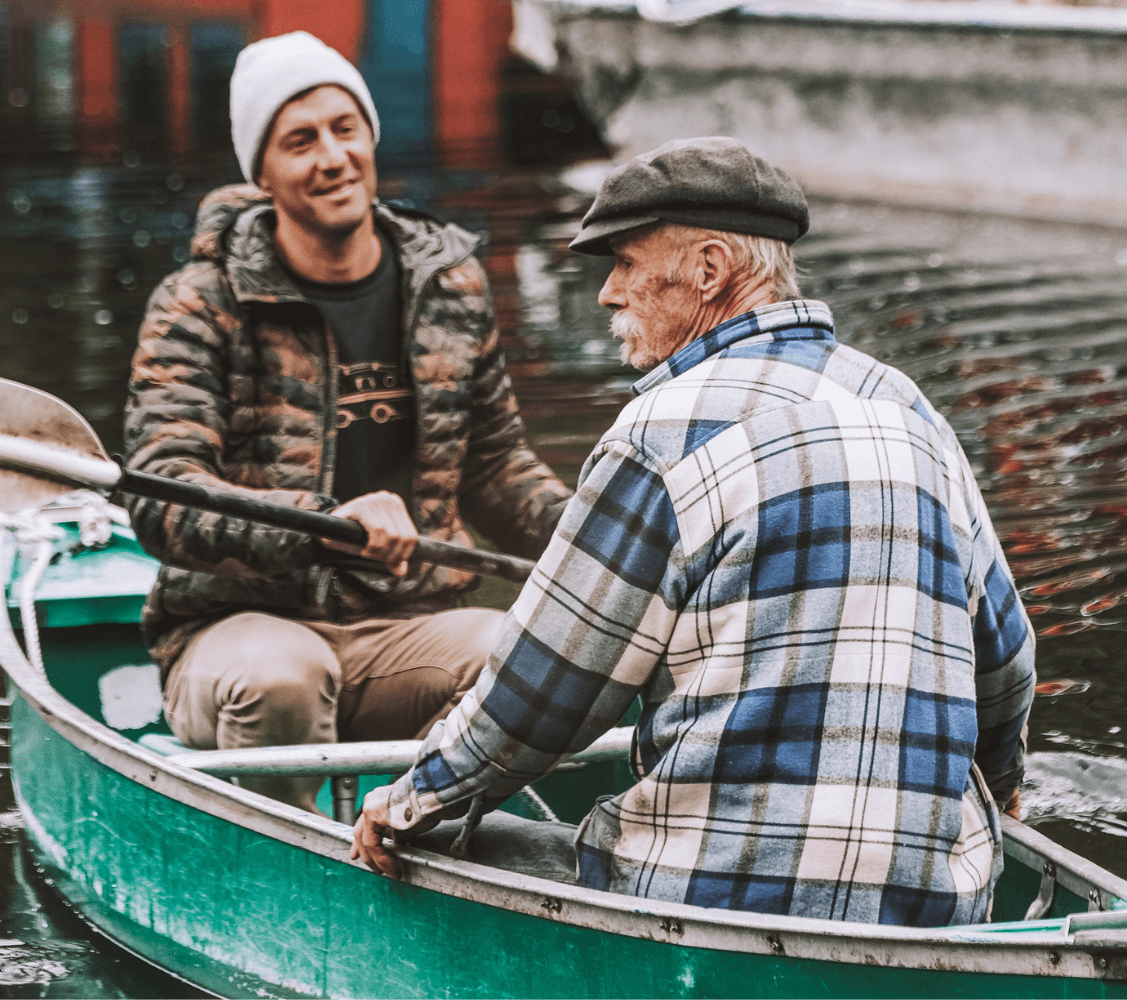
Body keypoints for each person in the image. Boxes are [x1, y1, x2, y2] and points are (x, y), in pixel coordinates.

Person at [352, 137, 1036, 928]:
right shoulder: (907, 406)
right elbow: (1007, 659)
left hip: (715, 901)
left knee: (438, 840)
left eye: (627, 263)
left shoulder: (660, 431)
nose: (609, 293)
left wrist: (414, 800)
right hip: (934, 905)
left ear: (709, 270)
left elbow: (540, 693)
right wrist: (998, 777)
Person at [123, 32, 571, 812]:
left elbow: (495, 466)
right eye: (299, 141)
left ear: (370, 136)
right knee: (283, 679)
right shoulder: (200, 302)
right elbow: (164, 498)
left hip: (406, 627)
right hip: (240, 629)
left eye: (344, 128)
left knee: (527, 657)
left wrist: (603, 544)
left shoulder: (450, 284)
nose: (331, 157)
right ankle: (290, 895)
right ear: (261, 172)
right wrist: (324, 525)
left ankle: (453, 871)